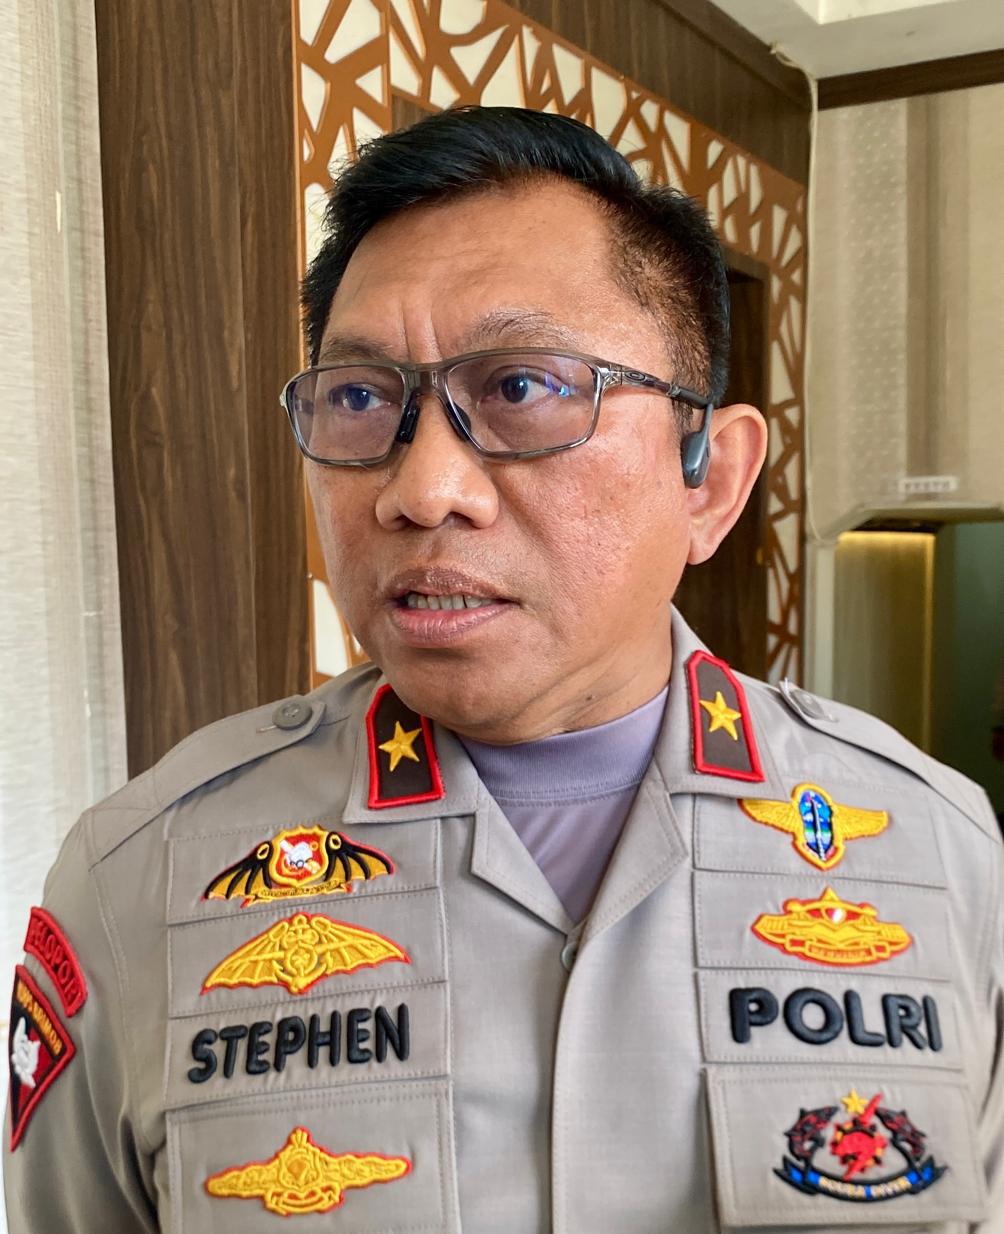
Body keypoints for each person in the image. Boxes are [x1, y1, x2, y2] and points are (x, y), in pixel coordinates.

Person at [4, 106, 1002, 1234]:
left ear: (709, 481)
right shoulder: (140, 878)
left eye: (521, 388)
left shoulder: (938, 854)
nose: (422, 488)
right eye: (360, 398)